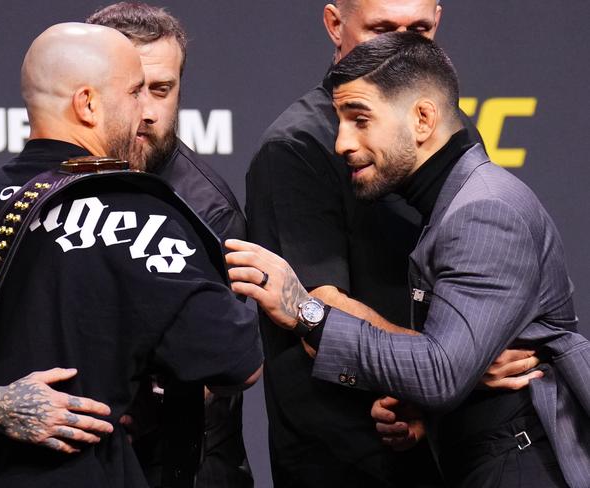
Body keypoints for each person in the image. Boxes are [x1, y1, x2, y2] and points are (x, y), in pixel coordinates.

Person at [227, 32, 590, 487]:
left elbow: (441, 372)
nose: (341, 143)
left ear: (422, 119)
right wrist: (426, 406)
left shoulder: (483, 210)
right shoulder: (453, 204)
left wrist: (306, 311)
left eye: (360, 120)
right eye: (339, 121)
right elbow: (447, 375)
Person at [0, 22, 262, 488]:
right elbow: (237, 361)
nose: (145, 113)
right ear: (88, 104)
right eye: (134, 93)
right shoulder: (141, 216)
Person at [85, 5, 252, 487]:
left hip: (187, 468)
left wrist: (131, 396)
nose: (149, 111)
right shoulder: (48, 186)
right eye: (134, 90)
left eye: (162, 89)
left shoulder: (208, 209)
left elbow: (228, 365)